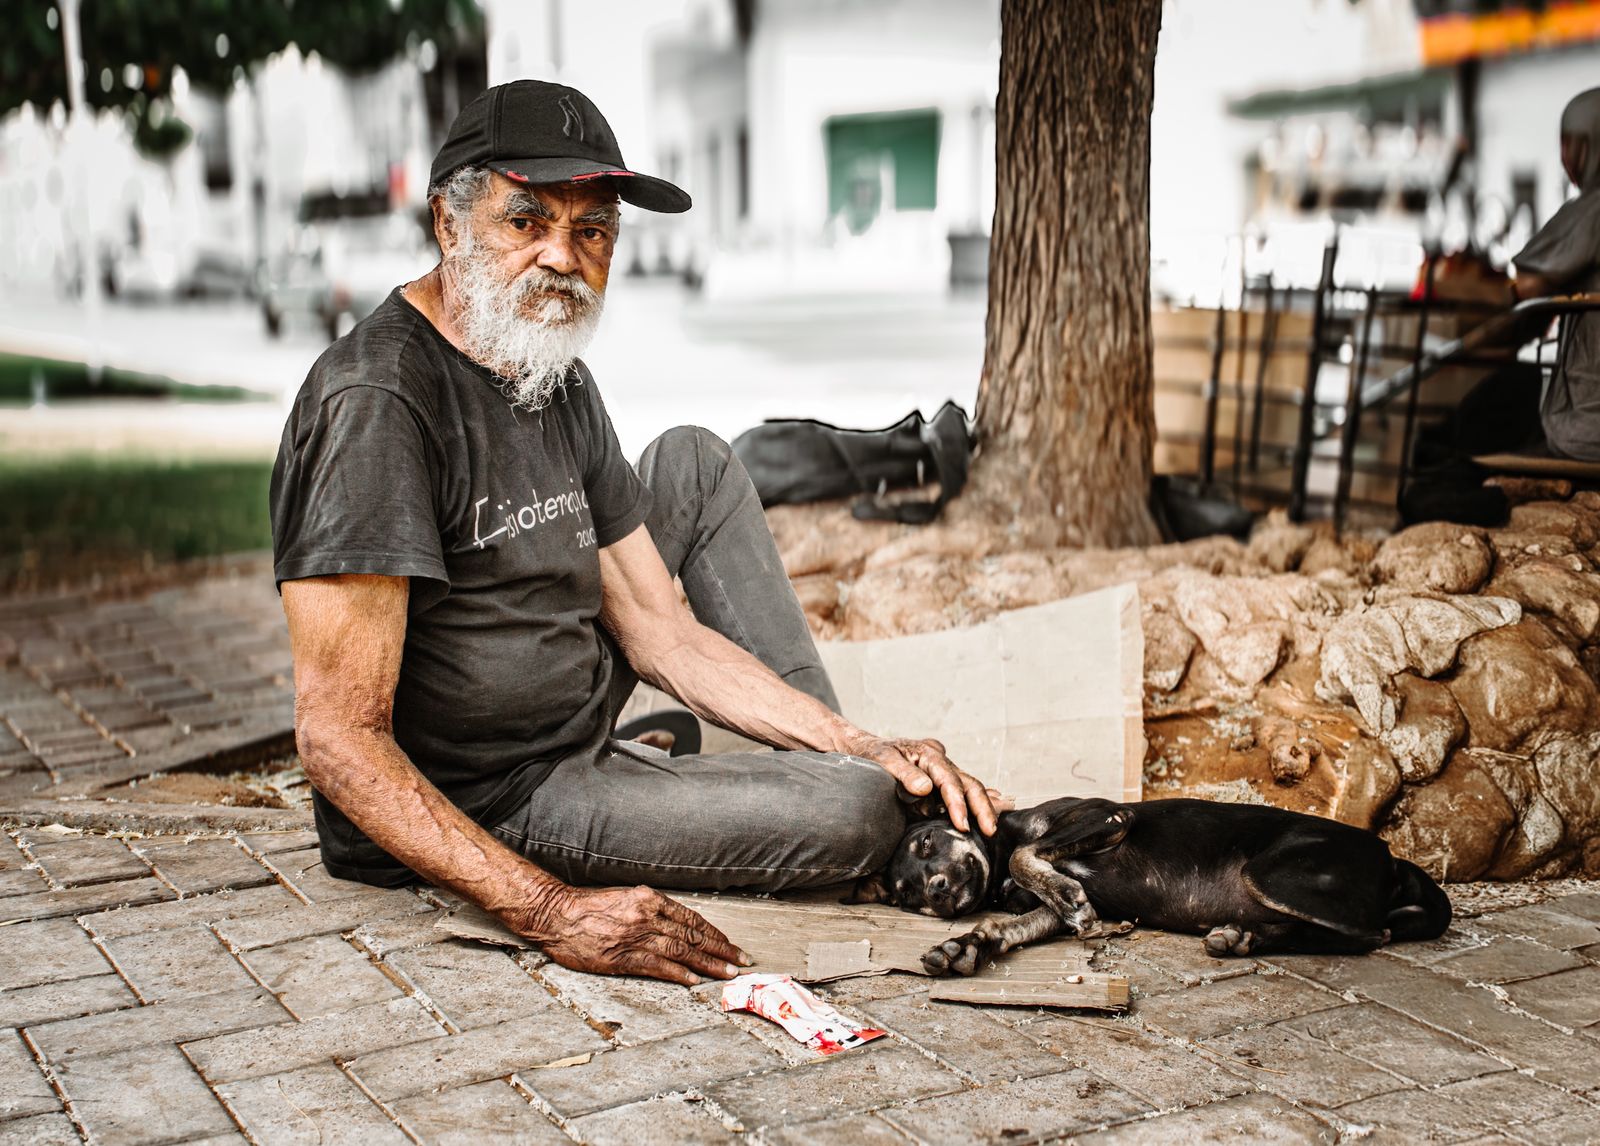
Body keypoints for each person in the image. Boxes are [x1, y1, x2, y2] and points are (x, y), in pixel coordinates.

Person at [269, 80, 1002, 986]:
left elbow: (661, 632)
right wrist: (549, 910)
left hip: (573, 721)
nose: (562, 258)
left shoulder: (552, 375)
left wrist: (860, 745)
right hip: (496, 795)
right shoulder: (378, 403)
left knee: (694, 460)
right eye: (526, 222)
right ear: (447, 226)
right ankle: (837, 808)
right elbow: (337, 739)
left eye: (593, 232)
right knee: (858, 815)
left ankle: (824, 774)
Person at [1403, 87, 1600, 525]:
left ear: (1589, 146)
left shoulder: (1591, 211)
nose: (1565, 157)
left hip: (1590, 423)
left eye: (1569, 143)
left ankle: (1449, 484)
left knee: (1499, 396)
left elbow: (1527, 288)